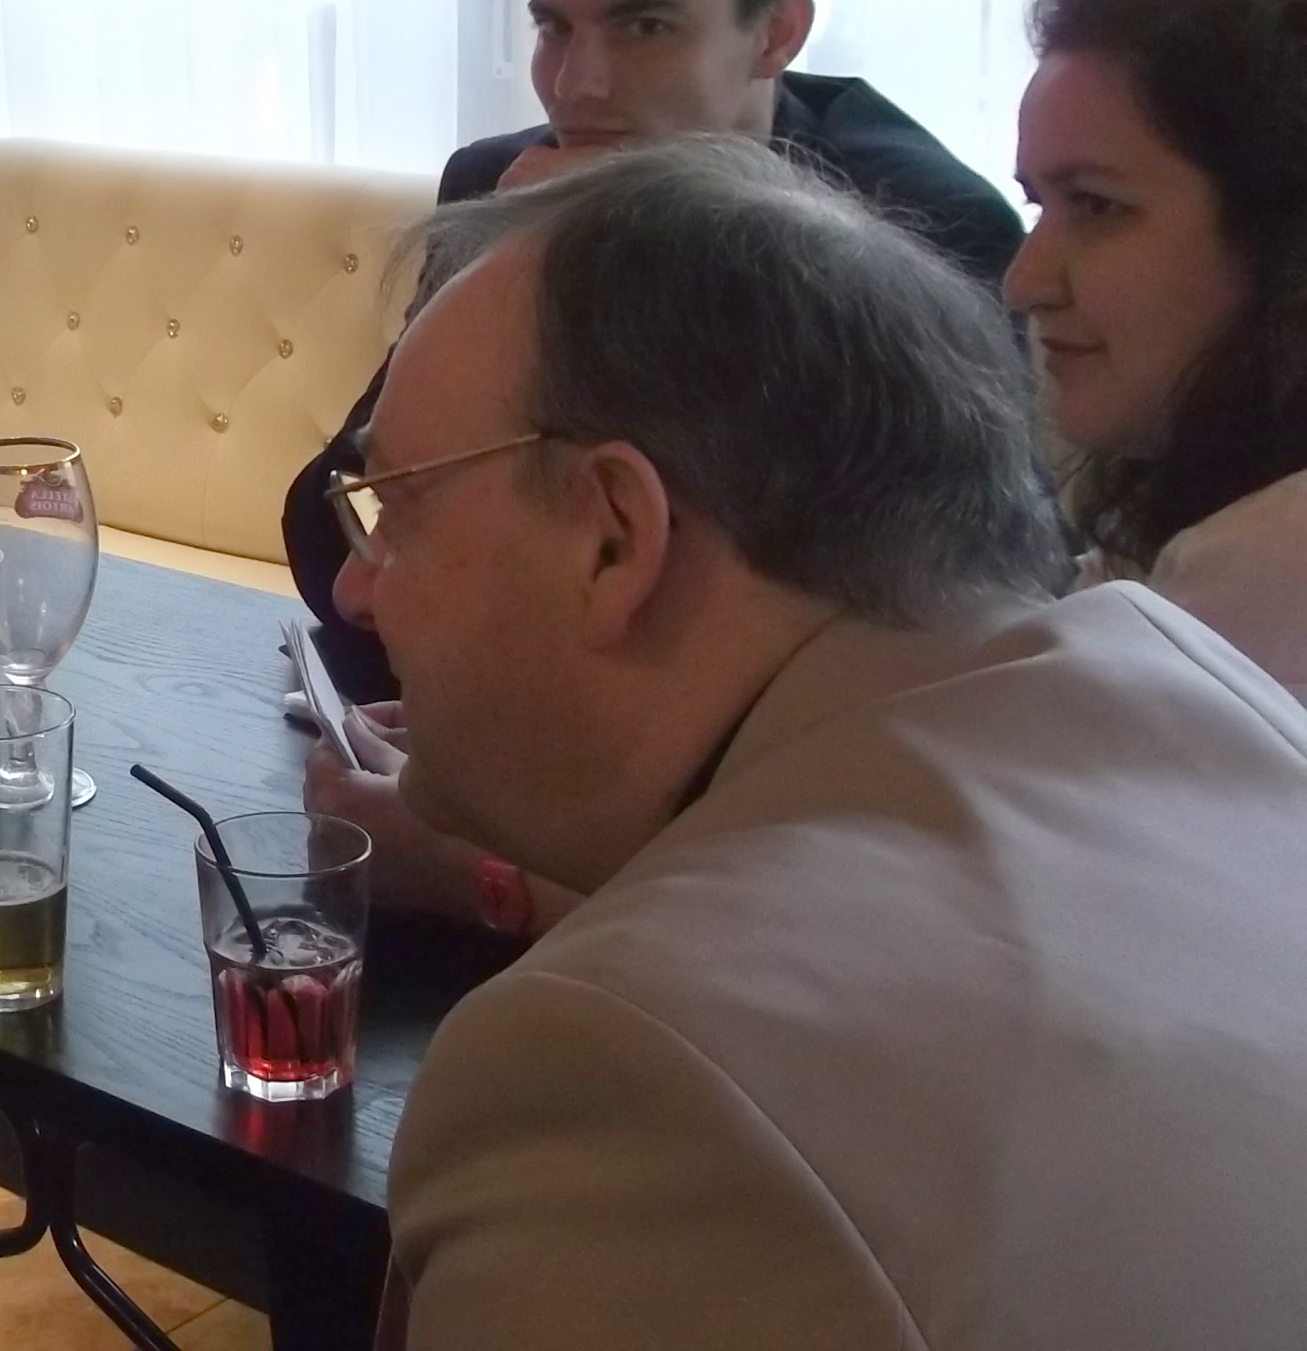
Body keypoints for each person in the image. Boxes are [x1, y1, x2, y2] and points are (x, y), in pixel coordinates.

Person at [338, 139, 1307, 1349]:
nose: (359, 591)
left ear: (613, 536)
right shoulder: (1213, 702)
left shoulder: (631, 1063)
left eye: (398, 508)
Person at [284, 0, 1024, 707]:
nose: (577, 84)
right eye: (555, 29)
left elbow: (904, 616)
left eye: (642, 27)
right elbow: (332, 523)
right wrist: (513, 266)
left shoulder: (918, 230)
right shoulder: (504, 180)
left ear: (777, 32)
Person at [1009, 0, 1307, 697]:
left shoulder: (1273, 565)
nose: (1026, 283)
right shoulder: (1199, 502)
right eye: (1039, 206)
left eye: (1096, 206)